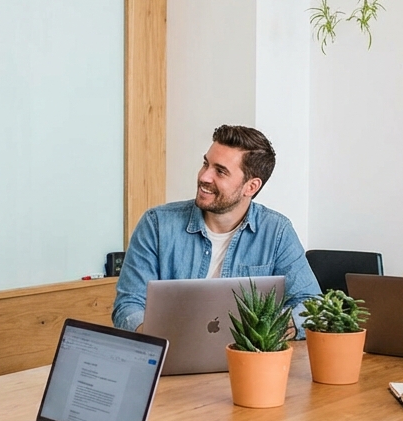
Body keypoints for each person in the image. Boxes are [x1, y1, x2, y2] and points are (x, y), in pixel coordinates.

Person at [112, 124, 320, 333]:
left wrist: (264, 334)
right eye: (206, 164)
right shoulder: (156, 224)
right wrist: (156, 342)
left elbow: (312, 306)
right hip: (170, 354)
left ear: (251, 187)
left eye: (220, 171)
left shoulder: (276, 232)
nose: (204, 177)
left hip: (248, 359)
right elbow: (129, 304)